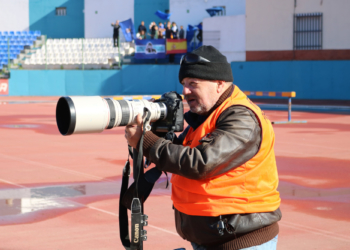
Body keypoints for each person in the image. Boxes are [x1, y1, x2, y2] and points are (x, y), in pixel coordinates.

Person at [125, 46, 281, 250]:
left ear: (219, 84)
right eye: (183, 84)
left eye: (193, 84)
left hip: (241, 242)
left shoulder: (242, 118)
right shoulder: (205, 118)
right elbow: (181, 157)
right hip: (211, 239)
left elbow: (200, 163)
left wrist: (146, 141)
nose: (185, 92)